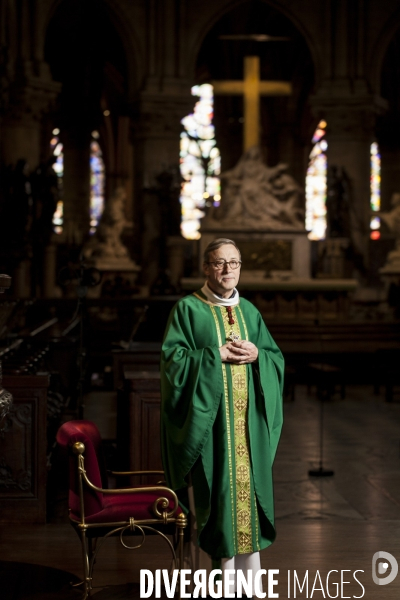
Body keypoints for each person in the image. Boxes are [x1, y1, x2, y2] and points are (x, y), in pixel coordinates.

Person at [160, 238, 284, 595]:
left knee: (247, 506)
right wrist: (214, 355)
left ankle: (247, 587)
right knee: (216, 504)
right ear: (206, 267)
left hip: (247, 431)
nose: (227, 270)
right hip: (210, 431)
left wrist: (259, 354)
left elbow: (276, 359)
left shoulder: (250, 312)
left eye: (233, 263)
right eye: (219, 263)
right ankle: (218, 587)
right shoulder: (187, 310)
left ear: (241, 266)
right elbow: (172, 364)